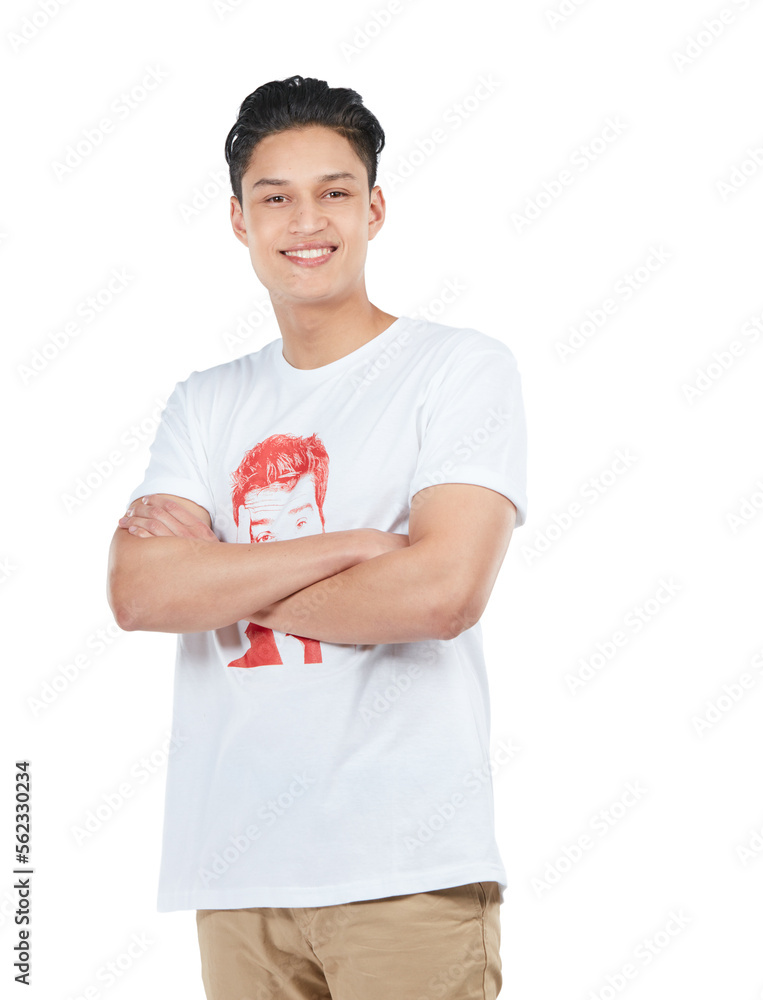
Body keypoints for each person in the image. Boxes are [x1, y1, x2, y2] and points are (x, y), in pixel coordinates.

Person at [107, 74, 528, 1000]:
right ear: (237, 219)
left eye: (335, 192)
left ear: (374, 208)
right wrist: (361, 548)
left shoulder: (456, 370)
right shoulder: (205, 402)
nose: (309, 221)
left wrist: (216, 571)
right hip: (236, 877)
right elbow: (140, 595)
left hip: (405, 875)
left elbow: (440, 595)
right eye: (276, 196)